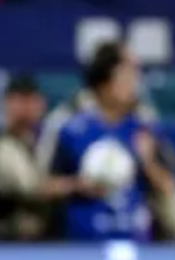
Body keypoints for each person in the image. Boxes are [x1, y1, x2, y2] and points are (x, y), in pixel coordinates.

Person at [47, 42, 175, 241]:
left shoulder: (145, 126)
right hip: (80, 245)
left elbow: (169, 187)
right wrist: (76, 185)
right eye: (126, 76)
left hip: (136, 241)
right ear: (104, 82)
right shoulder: (68, 126)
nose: (134, 83)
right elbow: (41, 186)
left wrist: (148, 163)